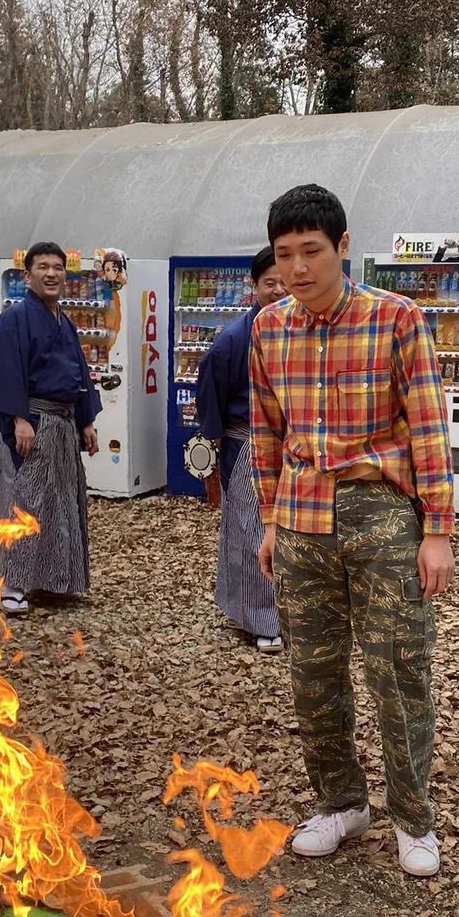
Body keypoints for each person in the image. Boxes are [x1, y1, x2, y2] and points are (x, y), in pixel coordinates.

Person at [250, 185, 455, 877]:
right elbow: (266, 432)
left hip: (380, 512)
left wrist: (437, 530)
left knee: (397, 666)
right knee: (313, 671)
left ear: (342, 246)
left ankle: (413, 818)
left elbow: (428, 427)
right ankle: (341, 803)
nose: (298, 268)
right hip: (300, 518)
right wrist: (270, 521)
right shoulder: (269, 329)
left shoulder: (397, 319)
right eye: (285, 254)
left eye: (311, 251)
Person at [0, 243, 102, 617]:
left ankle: (53, 580)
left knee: (62, 502)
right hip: (33, 422)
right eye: (42, 267)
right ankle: (13, 583)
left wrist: (86, 420)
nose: (51, 273)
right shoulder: (14, 319)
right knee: (26, 500)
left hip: (64, 423)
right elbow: (6, 371)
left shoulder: (64, 322)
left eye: (57, 267)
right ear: (27, 276)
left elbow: (79, 374)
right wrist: (18, 418)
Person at [195, 247, 286, 653]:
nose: (279, 290)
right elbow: (210, 397)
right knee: (252, 529)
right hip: (246, 443)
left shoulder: (301, 328)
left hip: (296, 445)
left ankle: (290, 614)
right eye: (270, 283)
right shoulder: (232, 339)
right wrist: (213, 450)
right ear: (254, 285)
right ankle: (262, 618)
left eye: (285, 282)